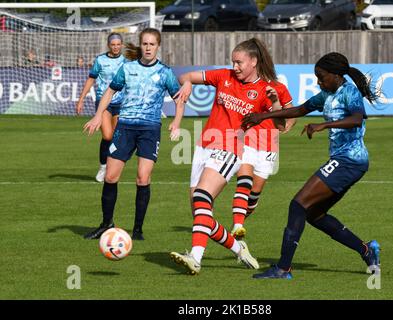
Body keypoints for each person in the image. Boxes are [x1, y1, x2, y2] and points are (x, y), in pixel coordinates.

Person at [242, 52, 381, 279]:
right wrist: (263, 116)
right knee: (314, 214)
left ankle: (283, 268)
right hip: (346, 161)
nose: (319, 81)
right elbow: (301, 109)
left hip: (349, 160)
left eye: (322, 76)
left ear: (336, 75)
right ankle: (367, 250)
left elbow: (357, 118)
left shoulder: (349, 92)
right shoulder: (328, 93)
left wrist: (323, 126)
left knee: (298, 205)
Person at [170, 38, 286, 275]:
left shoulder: (265, 89)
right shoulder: (223, 76)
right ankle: (238, 248)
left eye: (239, 62)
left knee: (202, 197)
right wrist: (187, 84)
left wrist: (274, 102)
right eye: (233, 61)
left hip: (230, 148)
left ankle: (195, 257)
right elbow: (185, 76)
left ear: (253, 62)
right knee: (200, 214)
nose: (235, 66)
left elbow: (281, 123)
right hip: (204, 146)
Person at [83, 28, 186, 241]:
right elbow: (109, 92)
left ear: (158, 46)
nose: (148, 48)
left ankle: (137, 229)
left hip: (149, 129)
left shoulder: (165, 72)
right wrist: (97, 116)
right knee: (110, 176)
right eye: (145, 44)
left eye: (152, 44)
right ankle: (106, 223)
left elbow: (179, 99)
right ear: (141, 45)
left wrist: (176, 123)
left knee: (142, 178)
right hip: (126, 127)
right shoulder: (127, 68)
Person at [230, 80, 295, 241]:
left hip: (269, 145)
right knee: (244, 184)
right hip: (246, 140)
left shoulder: (279, 88)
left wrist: (289, 124)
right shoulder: (245, 85)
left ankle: (238, 226)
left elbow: (291, 111)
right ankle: (237, 225)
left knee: (253, 196)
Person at [76, 33, 127, 182]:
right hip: (103, 102)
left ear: (122, 45)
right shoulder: (100, 60)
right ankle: (103, 166)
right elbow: (91, 80)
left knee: (116, 138)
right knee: (107, 136)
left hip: (121, 103)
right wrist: (81, 99)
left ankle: (111, 168)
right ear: (109, 45)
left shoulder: (127, 61)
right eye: (113, 44)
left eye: (118, 44)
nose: (116, 47)